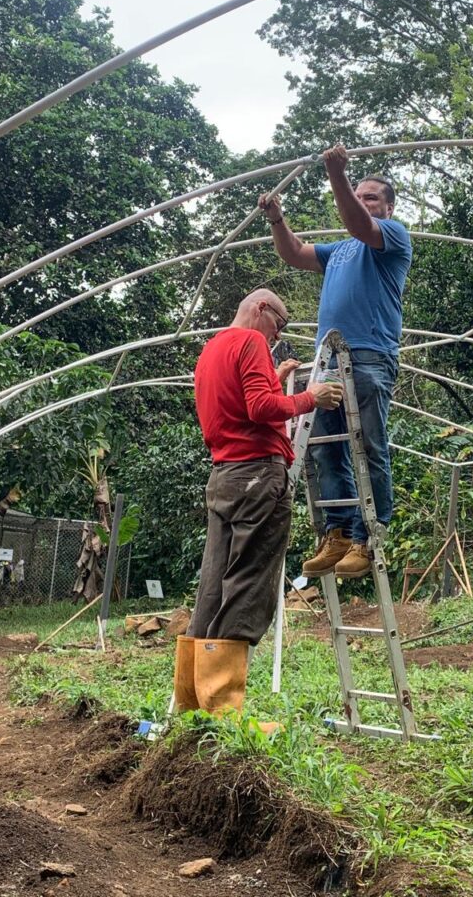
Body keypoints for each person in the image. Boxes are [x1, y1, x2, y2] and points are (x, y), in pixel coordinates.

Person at [173, 289, 343, 718]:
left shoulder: (212, 349)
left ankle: (194, 708)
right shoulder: (250, 342)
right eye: (279, 324)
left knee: (213, 588)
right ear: (261, 309)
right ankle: (224, 716)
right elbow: (261, 408)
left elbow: (239, 403)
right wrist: (312, 398)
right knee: (249, 587)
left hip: (225, 477)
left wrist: (275, 372)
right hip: (257, 475)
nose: (277, 335)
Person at [259, 144, 412, 580]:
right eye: (359, 194)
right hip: (329, 359)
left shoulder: (391, 235)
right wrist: (276, 218)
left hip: (368, 355)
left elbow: (357, 223)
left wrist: (337, 176)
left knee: (369, 444)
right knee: (327, 449)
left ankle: (370, 534)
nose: (364, 202)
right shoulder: (340, 251)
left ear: (388, 206)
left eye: (371, 197)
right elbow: (294, 253)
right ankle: (339, 532)